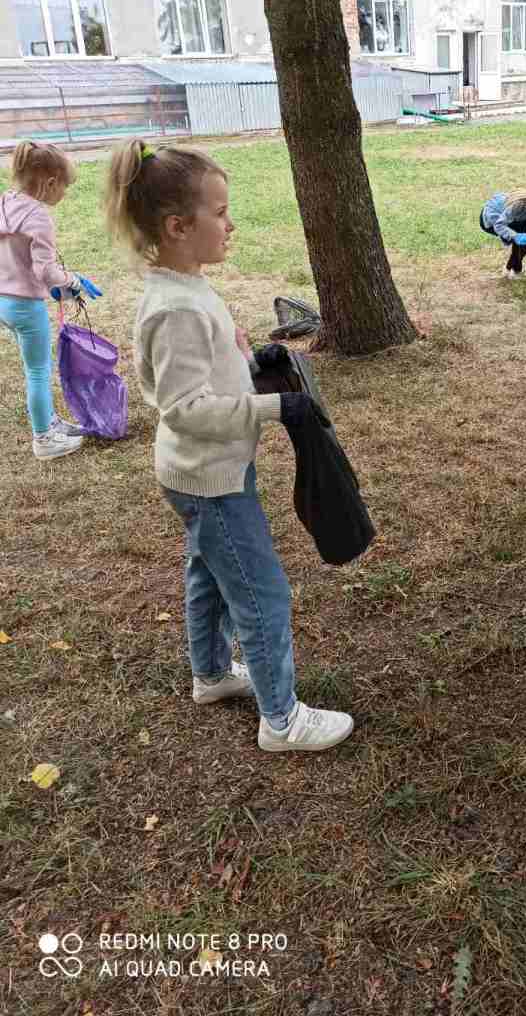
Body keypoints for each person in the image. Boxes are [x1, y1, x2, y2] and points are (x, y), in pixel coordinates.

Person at [106, 139, 354, 755]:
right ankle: (282, 720)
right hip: (209, 478)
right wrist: (276, 407)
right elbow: (185, 408)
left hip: (204, 472)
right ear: (177, 226)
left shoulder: (186, 286)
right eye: (219, 212)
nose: (230, 223)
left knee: (210, 575)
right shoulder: (175, 308)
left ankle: (212, 675)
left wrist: (251, 363)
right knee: (261, 593)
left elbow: (207, 373)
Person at [0, 141, 101, 460]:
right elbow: (45, 270)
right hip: (26, 307)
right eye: (64, 187)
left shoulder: (5, 203)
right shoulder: (38, 217)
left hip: (3, 302)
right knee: (38, 371)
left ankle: (49, 420)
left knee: (33, 366)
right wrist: (72, 281)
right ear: (50, 183)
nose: (65, 194)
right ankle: (44, 438)